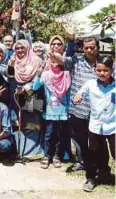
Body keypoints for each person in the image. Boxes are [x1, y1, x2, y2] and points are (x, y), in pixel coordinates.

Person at [73, 56, 115, 192]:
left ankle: (105, 174)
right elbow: (78, 94)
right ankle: (91, 178)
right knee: (94, 154)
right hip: (95, 126)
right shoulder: (90, 84)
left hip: (113, 126)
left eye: (105, 70)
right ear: (94, 70)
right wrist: (77, 97)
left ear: (111, 70)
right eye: (99, 70)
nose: (102, 73)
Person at [64, 32, 100, 172]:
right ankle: (82, 161)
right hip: (78, 108)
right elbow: (66, 58)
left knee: (97, 140)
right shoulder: (76, 61)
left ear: (97, 47)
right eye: (86, 48)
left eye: (92, 47)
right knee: (79, 138)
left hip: (97, 110)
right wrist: (71, 41)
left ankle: (97, 164)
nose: (89, 50)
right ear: (83, 49)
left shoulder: (104, 63)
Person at [33, 35, 71, 169]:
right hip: (50, 111)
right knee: (49, 134)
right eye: (52, 61)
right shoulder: (46, 74)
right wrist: (38, 75)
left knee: (61, 135)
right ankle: (46, 155)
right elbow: (35, 87)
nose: (55, 63)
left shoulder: (67, 74)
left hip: (63, 111)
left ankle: (56, 156)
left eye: (58, 61)